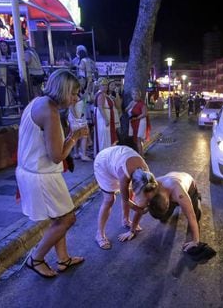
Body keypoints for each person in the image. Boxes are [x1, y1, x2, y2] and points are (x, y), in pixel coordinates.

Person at [16, 69, 88, 278]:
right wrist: (74, 138)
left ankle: (63, 258)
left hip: (34, 171)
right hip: (41, 175)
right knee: (67, 219)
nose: (76, 98)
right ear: (64, 90)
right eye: (74, 93)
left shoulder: (39, 102)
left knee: (59, 218)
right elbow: (57, 156)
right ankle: (35, 258)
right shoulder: (50, 111)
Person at [118, 171, 201, 252]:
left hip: (189, 187)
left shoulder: (178, 192)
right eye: (147, 199)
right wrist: (132, 230)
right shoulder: (147, 189)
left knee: (195, 216)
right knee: (163, 217)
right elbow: (140, 209)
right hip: (168, 193)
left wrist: (195, 241)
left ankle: (197, 198)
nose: (147, 199)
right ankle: (172, 208)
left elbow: (191, 215)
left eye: (148, 198)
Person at [93, 145, 158, 250]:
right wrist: (140, 209)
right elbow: (126, 200)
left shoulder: (147, 176)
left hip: (118, 157)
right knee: (109, 199)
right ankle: (99, 234)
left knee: (130, 192)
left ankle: (125, 220)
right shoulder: (124, 176)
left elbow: (144, 195)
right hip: (103, 163)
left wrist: (145, 204)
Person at [93, 77, 120, 157]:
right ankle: (104, 156)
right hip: (103, 119)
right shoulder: (101, 94)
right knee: (104, 137)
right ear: (99, 86)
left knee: (106, 136)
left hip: (106, 117)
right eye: (103, 85)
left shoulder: (104, 94)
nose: (105, 87)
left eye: (106, 85)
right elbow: (100, 107)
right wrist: (106, 119)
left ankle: (106, 155)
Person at [125, 88, 151, 156]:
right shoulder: (132, 102)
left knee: (139, 139)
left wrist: (136, 118)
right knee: (137, 140)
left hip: (140, 122)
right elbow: (126, 110)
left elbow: (145, 113)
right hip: (134, 123)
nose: (135, 96)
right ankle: (140, 154)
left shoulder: (142, 104)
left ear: (140, 95)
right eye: (133, 94)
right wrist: (130, 106)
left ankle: (141, 155)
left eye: (137, 94)